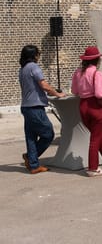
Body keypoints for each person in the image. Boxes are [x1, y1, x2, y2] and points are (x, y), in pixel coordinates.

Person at [71, 46, 102, 177]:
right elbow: (100, 93)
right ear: (97, 60)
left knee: (98, 136)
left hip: (83, 106)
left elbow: (74, 91)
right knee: (95, 138)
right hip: (95, 107)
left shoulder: (78, 73)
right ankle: (93, 168)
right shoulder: (96, 74)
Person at [18, 45, 65, 174]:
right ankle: (31, 158)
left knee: (31, 137)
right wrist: (57, 94)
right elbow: (43, 85)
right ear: (34, 55)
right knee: (48, 134)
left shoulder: (22, 70)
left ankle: (33, 165)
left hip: (26, 106)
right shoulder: (34, 67)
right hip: (35, 108)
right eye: (38, 54)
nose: (39, 56)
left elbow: (30, 88)